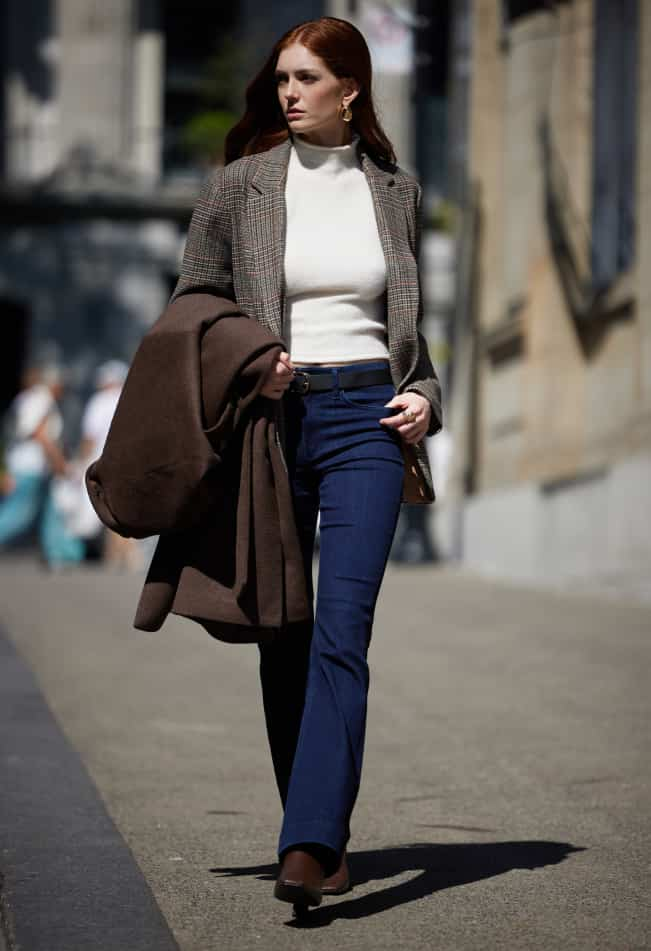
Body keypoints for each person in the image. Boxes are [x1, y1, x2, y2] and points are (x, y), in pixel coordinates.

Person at [172, 16, 442, 911]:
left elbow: (410, 331)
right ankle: (316, 831)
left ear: (349, 88)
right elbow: (192, 310)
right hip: (269, 421)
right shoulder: (238, 187)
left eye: (305, 78)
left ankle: (309, 837)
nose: (287, 92)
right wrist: (254, 358)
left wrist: (427, 395)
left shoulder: (395, 192)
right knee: (283, 635)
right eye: (281, 77)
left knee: (342, 627)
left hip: (369, 416)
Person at [0, 365, 84, 567]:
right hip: (30, 466)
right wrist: (59, 463)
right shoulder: (41, 399)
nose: (62, 389)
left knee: (51, 511)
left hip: (32, 466)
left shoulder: (27, 398)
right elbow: (40, 435)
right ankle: (63, 553)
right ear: (53, 383)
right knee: (20, 512)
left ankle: (62, 553)